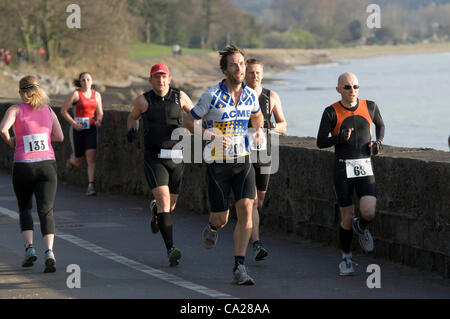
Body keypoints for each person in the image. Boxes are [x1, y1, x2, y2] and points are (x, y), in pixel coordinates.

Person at [185, 45, 265, 285]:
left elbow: (257, 115)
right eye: (234, 64)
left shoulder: (251, 94)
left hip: (242, 161)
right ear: (224, 69)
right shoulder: (211, 95)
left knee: (247, 208)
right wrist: (212, 137)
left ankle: (239, 267)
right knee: (222, 218)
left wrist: (258, 131)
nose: (239, 68)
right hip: (217, 163)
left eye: (241, 64)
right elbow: (189, 121)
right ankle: (212, 226)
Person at [316, 72, 385, 276]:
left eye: (355, 86)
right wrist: (337, 138)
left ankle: (361, 226)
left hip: (365, 166)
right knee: (346, 216)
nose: (352, 91)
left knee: (369, 212)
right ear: (338, 89)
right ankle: (346, 259)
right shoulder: (331, 112)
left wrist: (378, 142)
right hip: (342, 169)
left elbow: (380, 125)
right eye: (347, 87)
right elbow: (320, 142)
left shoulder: (370, 106)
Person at [127, 63, 194, 267]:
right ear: (151, 80)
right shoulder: (143, 100)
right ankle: (171, 249)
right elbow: (132, 117)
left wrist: (203, 130)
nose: (161, 81)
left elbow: (194, 116)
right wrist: (132, 129)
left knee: (170, 206)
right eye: (157, 77)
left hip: (177, 158)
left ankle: (156, 210)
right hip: (154, 157)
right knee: (165, 201)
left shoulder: (180, 97)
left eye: (164, 77)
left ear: (170, 78)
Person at [0, 75, 64, 272]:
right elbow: (59, 137)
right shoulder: (48, 110)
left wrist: (11, 140)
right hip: (47, 166)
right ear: (39, 90)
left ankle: (29, 249)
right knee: (46, 210)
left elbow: (3, 129)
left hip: (24, 166)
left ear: (21, 92)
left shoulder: (15, 109)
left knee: (25, 208)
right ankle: (49, 252)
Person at [244, 58, 287, 261]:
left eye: (258, 73)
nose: (255, 76)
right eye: (251, 73)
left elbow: (283, 125)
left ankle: (247, 228)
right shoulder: (238, 96)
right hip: (243, 154)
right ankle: (256, 244)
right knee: (251, 202)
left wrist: (271, 127)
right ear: (244, 74)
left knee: (259, 201)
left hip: (264, 154)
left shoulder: (271, 96)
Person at [61, 72, 103, 196]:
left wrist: (99, 120)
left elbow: (100, 112)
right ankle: (71, 161)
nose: (85, 82)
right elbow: (64, 111)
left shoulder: (97, 95)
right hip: (77, 130)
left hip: (91, 128)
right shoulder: (75, 94)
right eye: (83, 80)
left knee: (91, 157)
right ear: (80, 82)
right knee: (78, 160)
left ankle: (91, 186)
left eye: (88, 79)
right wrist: (74, 124)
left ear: (92, 81)